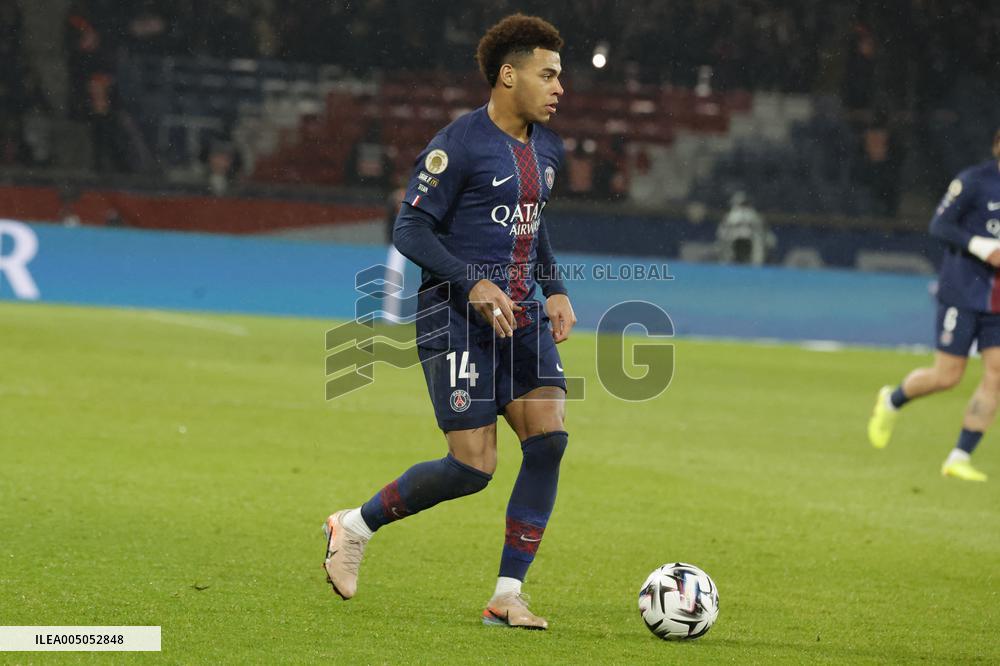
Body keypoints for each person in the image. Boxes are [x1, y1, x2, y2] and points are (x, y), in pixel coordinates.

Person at [322, 14, 576, 629]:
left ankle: (507, 595)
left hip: (520, 316)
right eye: (548, 75)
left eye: (560, 76)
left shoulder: (548, 149)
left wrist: (555, 288)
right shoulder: (457, 144)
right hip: (455, 316)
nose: (559, 87)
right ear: (508, 76)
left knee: (548, 441)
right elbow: (410, 228)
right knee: (471, 468)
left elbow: (533, 227)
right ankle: (354, 525)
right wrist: (473, 280)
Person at [868, 129, 1000, 482]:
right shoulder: (975, 182)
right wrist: (982, 247)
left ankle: (959, 456)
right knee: (947, 376)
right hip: (964, 291)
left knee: (997, 372)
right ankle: (891, 401)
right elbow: (939, 225)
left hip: (999, 301)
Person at [716, 191, 774, 265]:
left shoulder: (753, 214)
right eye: (741, 203)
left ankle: (756, 265)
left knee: (758, 242)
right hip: (735, 240)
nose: (742, 206)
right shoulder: (731, 215)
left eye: (744, 203)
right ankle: (726, 263)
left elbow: (763, 230)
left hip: (751, 240)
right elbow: (722, 232)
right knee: (726, 243)